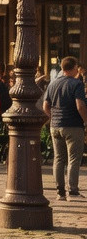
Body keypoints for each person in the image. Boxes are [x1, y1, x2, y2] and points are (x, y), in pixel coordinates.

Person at [44, 56, 86, 201]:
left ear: (62, 68)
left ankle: (60, 191)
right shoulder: (77, 84)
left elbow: (45, 106)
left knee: (59, 159)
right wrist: (86, 121)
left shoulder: (52, 84)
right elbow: (80, 106)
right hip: (73, 125)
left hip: (55, 125)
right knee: (74, 158)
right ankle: (73, 190)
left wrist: (53, 118)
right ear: (74, 68)